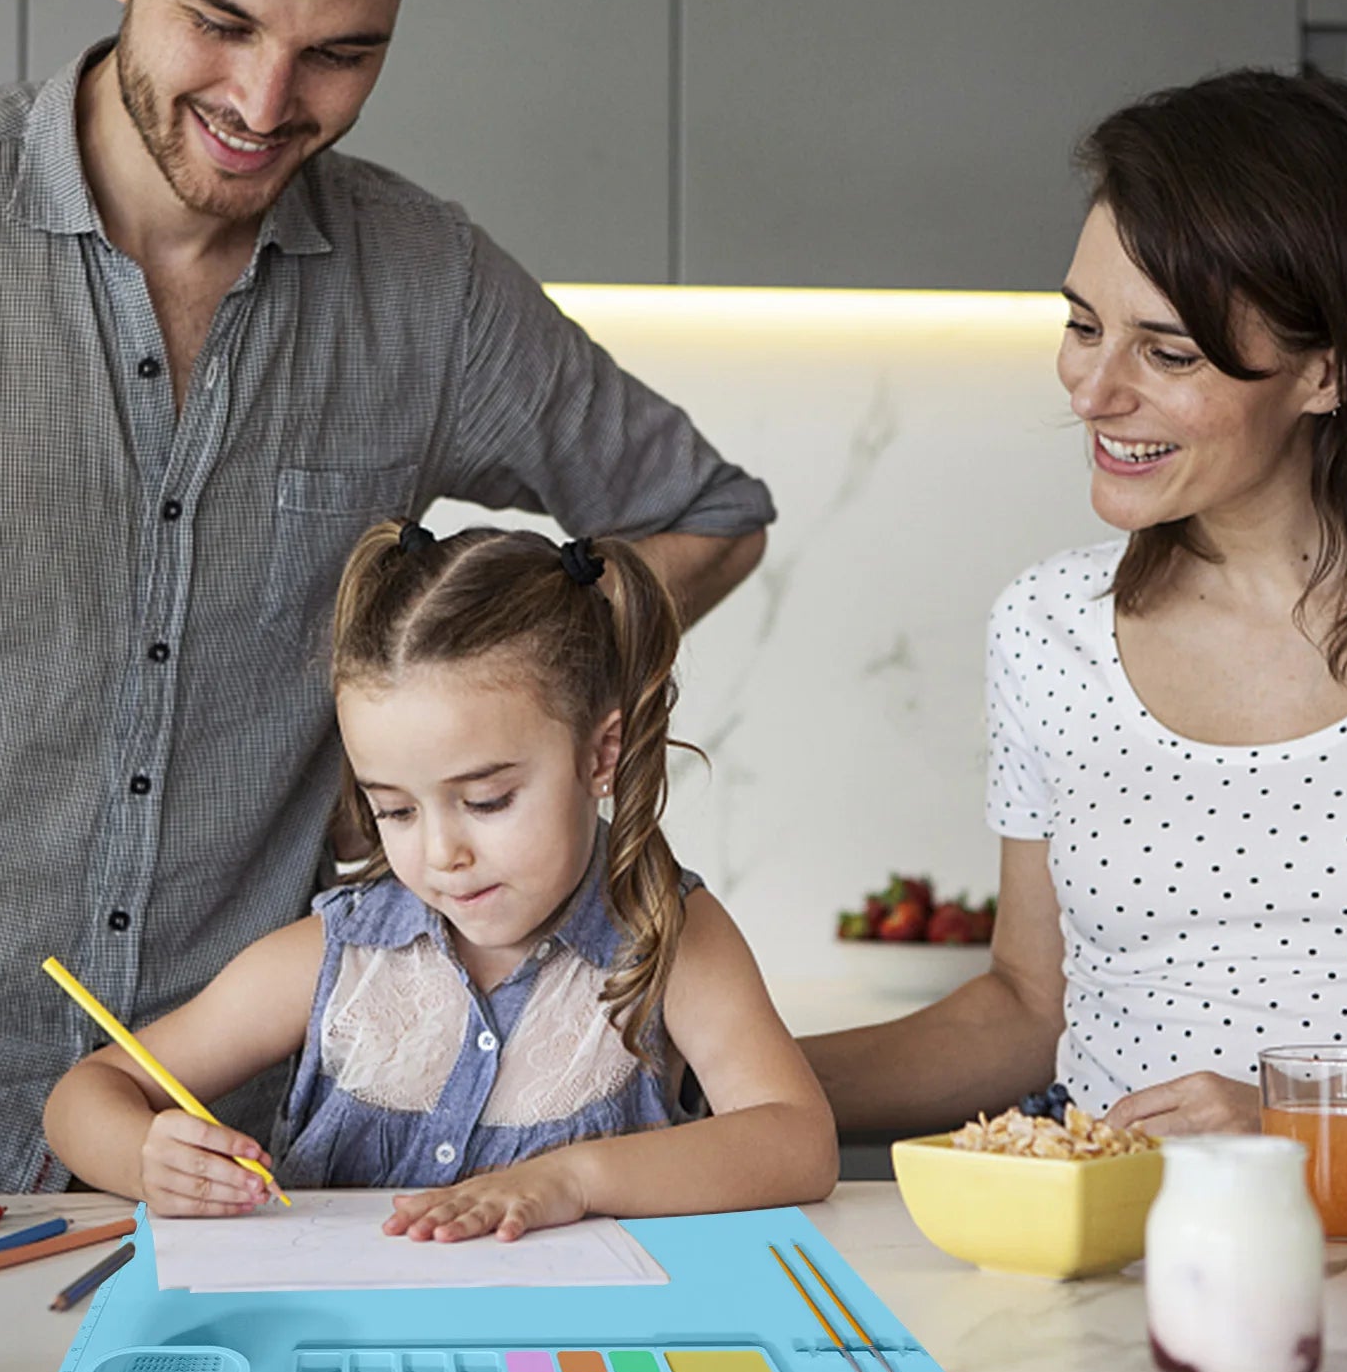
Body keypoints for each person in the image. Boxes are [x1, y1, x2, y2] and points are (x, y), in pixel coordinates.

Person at [0, 0, 773, 1196]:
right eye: (219, 21)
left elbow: (707, 515)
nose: (262, 103)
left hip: (233, 1156)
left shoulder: (428, 287)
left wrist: (486, 719)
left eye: (339, 54)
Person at [803, 68, 1347, 1140]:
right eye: (1081, 324)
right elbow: (1028, 1008)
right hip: (1099, 1236)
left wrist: (1298, 1129)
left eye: (1167, 352)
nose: (1091, 390)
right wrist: (715, 1085)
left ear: (1326, 373)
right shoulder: (1050, 628)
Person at [44, 521, 836, 1234]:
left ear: (601, 755)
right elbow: (85, 1094)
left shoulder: (673, 939)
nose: (441, 852)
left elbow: (798, 1140)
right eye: (395, 811)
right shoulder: (334, 957)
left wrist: (573, 1179)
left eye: (487, 801)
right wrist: (146, 1157)